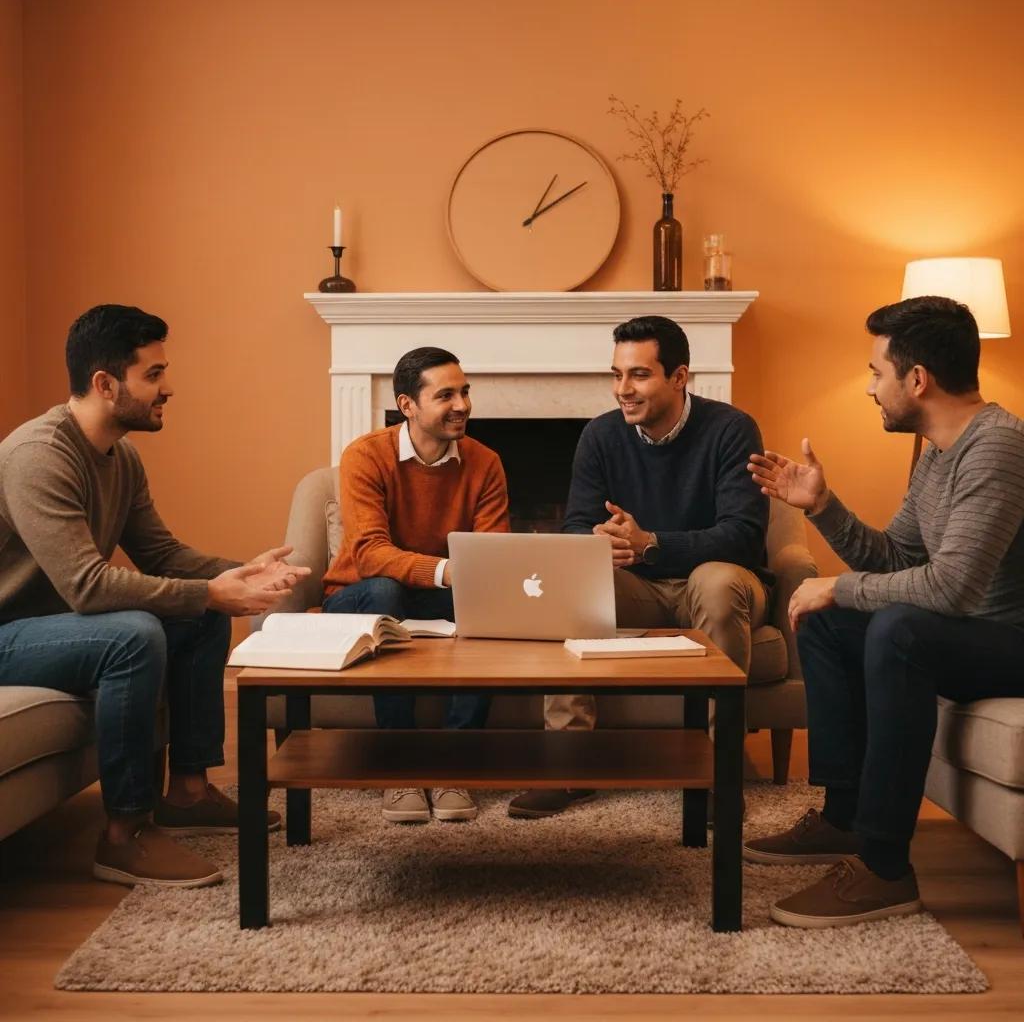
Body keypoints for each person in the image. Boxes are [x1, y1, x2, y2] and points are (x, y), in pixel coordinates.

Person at [0, 304, 308, 888]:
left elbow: (162, 555)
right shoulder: (38, 457)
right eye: (154, 374)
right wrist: (209, 592)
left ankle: (188, 792)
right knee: (136, 633)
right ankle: (124, 833)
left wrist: (239, 574)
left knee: (197, 613)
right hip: (9, 635)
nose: (169, 388)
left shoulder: (122, 457)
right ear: (104, 383)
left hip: (57, 625)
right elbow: (87, 586)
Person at [745, 295, 1024, 928]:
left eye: (877, 372)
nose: (872, 388)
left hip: (1008, 638)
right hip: (967, 635)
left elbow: (950, 589)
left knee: (894, 628)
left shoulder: (998, 448)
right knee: (823, 618)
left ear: (917, 378)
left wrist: (840, 587)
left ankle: (886, 868)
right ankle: (844, 818)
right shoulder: (938, 453)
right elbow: (898, 557)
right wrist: (822, 506)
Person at [509, 315, 770, 819]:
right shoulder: (601, 436)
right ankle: (569, 766)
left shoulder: (731, 429)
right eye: (616, 374)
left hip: (721, 580)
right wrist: (597, 542)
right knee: (572, 579)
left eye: (639, 375)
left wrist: (651, 544)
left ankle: (722, 770)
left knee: (714, 582)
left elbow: (742, 535)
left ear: (679, 377)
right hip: (638, 587)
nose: (622, 390)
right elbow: (576, 528)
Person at [322, 346, 510, 824]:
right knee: (386, 592)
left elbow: (490, 558)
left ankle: (457, 761)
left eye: (465, 391)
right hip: (358, 595)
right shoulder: (365, 455)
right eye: (445, 395)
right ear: (407, 405)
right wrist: (449, 570)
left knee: (484, 605)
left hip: (432, 594)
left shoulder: (485, 462)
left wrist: (470, 578)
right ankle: (399, 764)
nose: (463, 405)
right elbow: (369, 554)